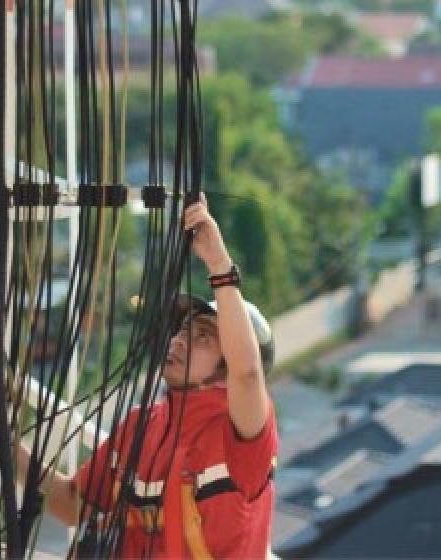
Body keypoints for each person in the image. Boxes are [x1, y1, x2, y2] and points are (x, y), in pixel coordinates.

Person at [17, 195, 278, 558]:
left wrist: (219, 264)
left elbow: (248, 375)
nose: (181, 339)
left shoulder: (243, 439)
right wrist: (2, 446)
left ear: (228, 366)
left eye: (203, 336)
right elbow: (72, 503)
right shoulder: (142, 426)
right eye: (182, 330)